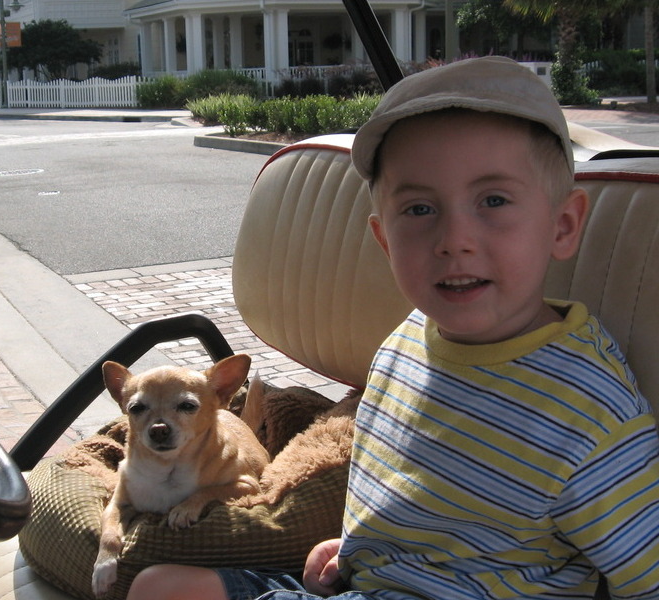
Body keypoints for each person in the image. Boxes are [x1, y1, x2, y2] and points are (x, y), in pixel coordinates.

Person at [125, 56, 659, 600]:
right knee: (156, 586)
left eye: (493, 201)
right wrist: (353, 544)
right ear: (384, 241)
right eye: (420, 209)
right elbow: (397, 479)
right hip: (362, 581)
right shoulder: (406, 339)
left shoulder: (590, 413)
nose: (454, 238)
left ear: (563, 226)